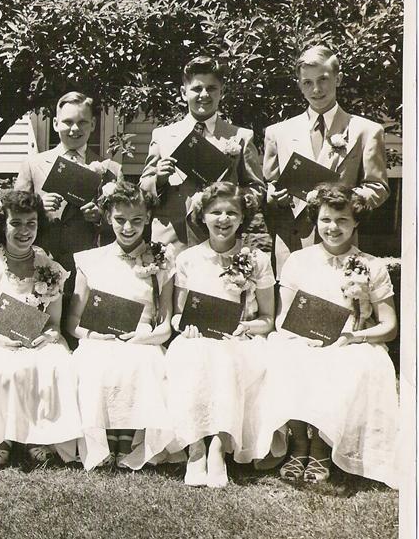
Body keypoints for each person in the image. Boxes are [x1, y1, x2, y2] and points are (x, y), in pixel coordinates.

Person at [258, 185, 399, 488]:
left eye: (342, 220)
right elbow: (283, 318)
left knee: (349, 364)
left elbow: (389, 326)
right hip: (303, 336)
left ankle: (321, 448)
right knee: (283, 355)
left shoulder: (372, 265)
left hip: (351, 339)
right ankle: (298, 445)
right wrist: (300, 334)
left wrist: (354, 336)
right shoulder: (298, 260)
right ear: (315, 220)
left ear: (356, 222)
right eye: (325, 220)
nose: (332, 228)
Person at [0, 191, 80, 467]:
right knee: (1, 368)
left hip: (36, 340)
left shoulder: (51, 269)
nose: (24, 231)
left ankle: (39, 436)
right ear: (3, 225)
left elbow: (55, 324)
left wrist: (47, 337)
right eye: (17, 223)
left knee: (54, 363)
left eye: (31, 224)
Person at [165, 182, 275, 488]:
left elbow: (268, 319)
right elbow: (177, 313)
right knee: (194, 355)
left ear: (242, 218)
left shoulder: (258, 259)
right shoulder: (188, 258)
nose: (223, 219)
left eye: (231, 212)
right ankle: (196, 447)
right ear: (203, 217)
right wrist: (184, 326)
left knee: (225, 359)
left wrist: (246, 327)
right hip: (198, 337)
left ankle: (217, 446)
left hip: (241, 339)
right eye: (215, 212)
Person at [65, 182, 177, 471]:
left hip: (143, 337)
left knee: (143, 362)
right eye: (120, 220)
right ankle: (101, 437)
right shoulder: (91, 259)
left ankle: (128, 435)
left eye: (137, 220)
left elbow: (165, 325)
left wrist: (143, 338)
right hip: (99, 337)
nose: (128, 227)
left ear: (149, 218)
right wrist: (92, 335)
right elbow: (73, 321)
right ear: (107, 218)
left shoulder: (162, 261)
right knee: (93, 361)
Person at [263, 45, 389, 274]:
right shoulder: (277, 132)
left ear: (338, 79)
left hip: (342, 241)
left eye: (323, 79)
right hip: (292, 244)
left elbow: (378, 187)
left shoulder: (366, 130)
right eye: (307, 82)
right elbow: (270, 186)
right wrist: (273, 195)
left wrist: (344, 201)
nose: (316, 89)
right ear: (299, 85)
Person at [14, 91, 122, 326]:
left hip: (85, 265)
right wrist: (38, 206)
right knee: (33, 330)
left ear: (93, 124)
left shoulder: (110, 169)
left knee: (79, 331)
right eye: (68, 122)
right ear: (55, 124)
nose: (75, 129)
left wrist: (100, 218)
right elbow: (12, 215)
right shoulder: (33, 164)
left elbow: (124, 224)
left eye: (82, 122)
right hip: (40, 263)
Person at [140, 55, 265, 251]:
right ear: (183, 92)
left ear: (221, 92)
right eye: (197, 88)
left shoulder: (240, 136)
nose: (204, 94)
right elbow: (142, 191)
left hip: (221, 239)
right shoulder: (163, 135)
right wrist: (158, 179)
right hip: (172, 240)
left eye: (211, 88)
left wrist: (235, 199)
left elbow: (256, 188)